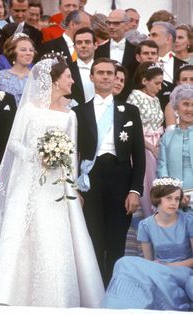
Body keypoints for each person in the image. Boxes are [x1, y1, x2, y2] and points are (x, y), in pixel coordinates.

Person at [0, 55, 104, 306]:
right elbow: (13, 144)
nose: (72, 81)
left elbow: (71, 154)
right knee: (20, 234)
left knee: (56, 235)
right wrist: (36, 156)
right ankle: (8, 293)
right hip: (29, 180)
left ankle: (58, 296)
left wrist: (74, 187)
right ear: (55, 81)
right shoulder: (28, 110)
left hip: (58, 186)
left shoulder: (70, 115)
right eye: (68, 76)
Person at [74, 57, 145, 285]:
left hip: (120, 178)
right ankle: (94, 291)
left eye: (109, 73)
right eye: (100, 73)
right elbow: (73, 153)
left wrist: (135, 190)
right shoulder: (78, 111)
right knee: (93, 237)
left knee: (116, 240)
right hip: (90, 178)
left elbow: (139, 155)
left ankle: (114, 289)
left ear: (116, 78)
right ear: (91, 76)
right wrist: (75, 189)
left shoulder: (130, 111)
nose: (105, 77)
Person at [102, 177, 193, 311]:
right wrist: (157, 267)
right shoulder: (146, 225)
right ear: (157, 198)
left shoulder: (188, 221)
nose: (174, 203)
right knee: (123, 262)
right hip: (158, 269)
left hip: (182, 271)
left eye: (177, 199)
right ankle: (118, 308)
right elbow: (148, 261)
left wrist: (168, 266)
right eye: (169, 198)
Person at [127, 62, 164, 218]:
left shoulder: (155, 99)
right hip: (144, 148)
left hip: (158, 146)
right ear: (144, 81)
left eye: (161, 83)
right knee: (146, 184)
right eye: (156, 83)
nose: (160, 88)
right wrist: (151, 147)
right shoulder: (134, 97)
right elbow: (134, 130)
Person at [157, 84, 193, 212]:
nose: (189, 109)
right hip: (173, 198)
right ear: (176, 107)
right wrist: (173, 195)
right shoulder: (167, 137)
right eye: (185, 104)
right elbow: (162, 167)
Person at [0, 33, 35, 106]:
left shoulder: (38, 77)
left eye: (31, 50)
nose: (28, 53)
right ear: (13, 52)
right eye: (23, 50)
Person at [69, 27, 96, 104]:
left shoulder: (105, 69)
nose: (83, 45)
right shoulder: (66, 71)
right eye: (79, 42)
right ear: (74, 47)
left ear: (95, 45)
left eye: (87, 42)